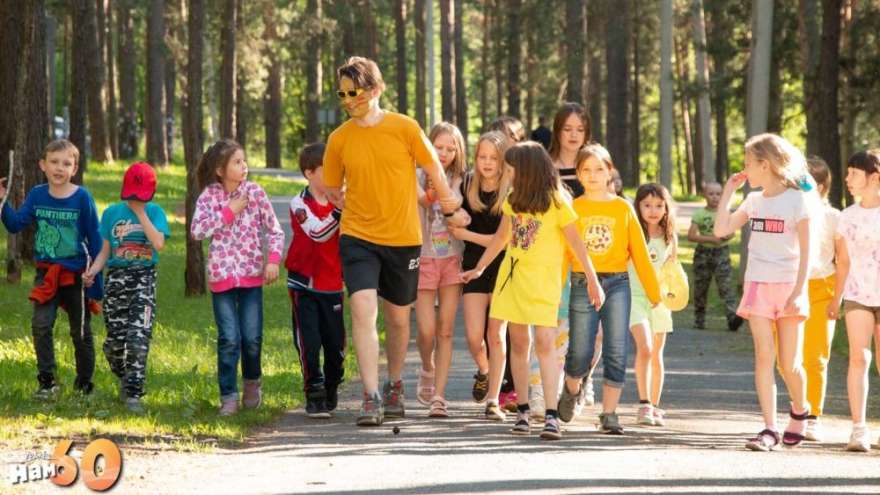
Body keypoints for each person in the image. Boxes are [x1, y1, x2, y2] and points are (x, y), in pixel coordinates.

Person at [322, 56, 463, 426]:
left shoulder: (404, 127)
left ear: (375, 89)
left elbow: (433, 165)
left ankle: (395, 382)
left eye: (355, 92)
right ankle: (371, 396)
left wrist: (448, 206)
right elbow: (332, 187)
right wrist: (348, 202)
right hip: (358, 237)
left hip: (403, 238)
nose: (348, 100)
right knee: (362, 309)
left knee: (399, 319)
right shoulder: (339, 139)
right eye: (342, 93)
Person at [461, 141, 604, 440]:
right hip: (512, 279)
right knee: (518, 342)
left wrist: (592, 278)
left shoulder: (557, 202)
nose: (506, 173)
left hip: (544, 282)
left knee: (545, 342)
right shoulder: (513, 200)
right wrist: (480, 268)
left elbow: (577, 244)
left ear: (527, 170)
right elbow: (502, 238)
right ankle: (523, 410)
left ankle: (551, 414)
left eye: (511, 168)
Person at [714, 133, 819, 451]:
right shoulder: (753, 201)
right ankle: (770, 428)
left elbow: (807, 252)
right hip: (758, 286)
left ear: (764, 164)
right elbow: (721, 230)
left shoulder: (798, 201)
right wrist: (728, 192)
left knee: (789, 364)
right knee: (764, 357)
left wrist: (799, 291)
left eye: (748, 164)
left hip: (789, 288)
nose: (744, 170)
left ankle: (799, 411)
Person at [557, 143, 660, 435]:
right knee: (580, 350)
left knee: (616, 348)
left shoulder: (622, 208)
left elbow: (638, 251)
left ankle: (609, 413)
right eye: (586, 170)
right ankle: (572, 386)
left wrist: (653, 292)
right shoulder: (573, 208)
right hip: (581, 282)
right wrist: (555, 288)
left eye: (599, 169)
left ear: (609, 173)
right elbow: (565, 252)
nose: (592, 175)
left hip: (617, 283)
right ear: (577, 174)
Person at [0, 139, 103, 399]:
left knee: (80, 331)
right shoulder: (37, 195)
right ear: (42, 165)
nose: (59, 168)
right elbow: (15, 224)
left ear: (75, 168)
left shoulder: (82, 198)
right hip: (46, 274)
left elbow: (96, 239)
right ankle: (47, 382)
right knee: (41, 325)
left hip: (77, 274)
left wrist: (95, 279)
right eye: (54, 162)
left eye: (66, 163)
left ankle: (84, 384)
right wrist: (2, 202)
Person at [191, 139, 285, 416]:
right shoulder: (209, 196)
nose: (244, 166)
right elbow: (197, 231)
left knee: (252, 338)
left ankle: (252, 384)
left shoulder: (255, 193)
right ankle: (228, 395)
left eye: (244, 161)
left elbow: (276, 231)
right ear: (220, 170)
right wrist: (228, 211)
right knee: (229, 338)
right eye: (237, 162)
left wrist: (273, 261)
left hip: (252, 277)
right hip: (222, 279)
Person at [82, 162, 170, 414]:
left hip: (144, 280)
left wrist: (141, 214)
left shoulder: (155, 213)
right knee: (114, 344)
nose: (135, 200)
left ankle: (134, 393)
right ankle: (125, 377)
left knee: (138, 338)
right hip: (116, 281)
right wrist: (93, 271)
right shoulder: (111, 213)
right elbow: (105, 251)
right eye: (131, 195)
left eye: (140, 197)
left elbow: (159, 244)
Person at [450, 131, 512, 413]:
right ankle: (484, 371)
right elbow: (453, 226)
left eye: (493, 158)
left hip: (504, 268)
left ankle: (493, 400)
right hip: (472, 268)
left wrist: (467, 233)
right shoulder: (466, 185)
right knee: (475, 337)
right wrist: (460, 228)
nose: (487, 163)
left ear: (503, 161)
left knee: (496, 334)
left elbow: (504, 240)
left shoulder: (512, 190)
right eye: (482, 157)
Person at [285, 143, 346, 419]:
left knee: (335, 345)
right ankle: (314, 391)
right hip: (304, 285)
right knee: (309, 342)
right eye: (327, 171)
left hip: (332, 284)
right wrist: (340, 211)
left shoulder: (341, 201)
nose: (334, 176)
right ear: (309, 173)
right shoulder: (299, 203)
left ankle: (332, 383)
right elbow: (318, 233)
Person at [828, 149, 880, 452]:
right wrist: (836, 298)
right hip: (857, 295)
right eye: (847, 174)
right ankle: (859, 429)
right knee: (859, 357)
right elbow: (843, 262)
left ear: (874, 177)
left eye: (853, 174)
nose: (847, 179)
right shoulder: (847, 217)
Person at [415, 122, 468, 417]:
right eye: (439, 147)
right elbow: (422, 200)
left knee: (445, 331)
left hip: (451, 258)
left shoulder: (460, 178)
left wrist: (457, 209)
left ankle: (439, 395)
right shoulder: (416, 174)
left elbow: (459, 206)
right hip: (423, 257)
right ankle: (426, 367)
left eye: (451, 148)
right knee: (425, 331)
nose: (445, 153)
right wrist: (432, 190)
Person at [628, 183, 677, 427]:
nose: (653, 210)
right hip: (635, 298)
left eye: (659, 205)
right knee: (645, 348)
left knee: (657, 354)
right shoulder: (633, 233)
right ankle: (643, 404)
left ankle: (655, 406)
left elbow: (673, 272)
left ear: (666, 208)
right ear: (638, 206)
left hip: (660, 302)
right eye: (647, 205)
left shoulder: (670, 237)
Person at [800, 157, 840, 441]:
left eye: (806, 182)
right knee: (789, 359)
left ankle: (813, 415)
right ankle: (797, 410)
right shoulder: (791, 212)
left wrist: (838, 298)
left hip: (823, 288)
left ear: (822, 186)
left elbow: (844, 260)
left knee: (816, 357)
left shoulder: (834, 218)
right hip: (792, 287)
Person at [687, 182, 744, 331]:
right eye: (711, 194)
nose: (715, 197)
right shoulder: (699, 214)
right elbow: (691, 235)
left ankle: (732, 318)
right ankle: (699, 320)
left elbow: (731, 231)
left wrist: (725, 236)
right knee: (701, 287)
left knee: (725, 286)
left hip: (721, 253)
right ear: (704, 195)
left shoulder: (724, 213)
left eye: (718, 194)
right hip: (703, 254)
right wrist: (711, 239)